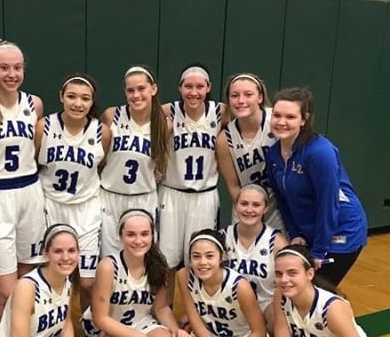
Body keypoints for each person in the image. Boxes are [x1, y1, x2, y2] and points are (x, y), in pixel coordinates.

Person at [0, 39, 46, 328]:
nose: (11, 74)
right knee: (6, 288)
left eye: (17, 67)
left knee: (28, 281)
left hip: (30, 191)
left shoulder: (34, 104)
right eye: (4, 68)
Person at [266, 87, 367, 285]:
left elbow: (328, 204)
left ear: (304, 120)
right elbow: (282, 200)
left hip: (342, 232)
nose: (281, 122)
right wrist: (295, 233)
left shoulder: (320, 152)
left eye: (290, 117)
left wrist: (319, 250)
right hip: (311, 232)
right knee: (301, 293)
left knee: (317, 294)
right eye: (277, 115)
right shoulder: (273, 154)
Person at [82, 209, 187, 337]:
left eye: (144, 234)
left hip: (139, 321)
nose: (138, 241)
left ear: (152, 235)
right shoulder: (108, 266)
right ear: (120, 236)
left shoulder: (159, 265)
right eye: (131, 234)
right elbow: (100, 318)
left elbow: (161, 308)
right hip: (107, 324)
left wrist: (175, 329)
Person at [36, 73, 110, 309]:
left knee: (87, 282)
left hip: (86, 209)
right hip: (52, 207)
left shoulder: (102, 132)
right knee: (55, 277)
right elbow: (32, 163)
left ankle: (90, 330)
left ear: (92, 101)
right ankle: (54, 330)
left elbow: (103, 165)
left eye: (85, 98)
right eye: (72, 97)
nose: (78, 103)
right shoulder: (44, 127)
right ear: (61, 97)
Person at [173, 229, 270, 337]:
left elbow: (259, 332)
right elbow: (194, 320)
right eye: (196, 256)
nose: (202, 262)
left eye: (210, 256)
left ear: (222, 256)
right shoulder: (184, 276)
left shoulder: (239, 286)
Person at [159, 62, 226, 301]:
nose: (194, 92)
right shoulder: (168, 111)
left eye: (200, 86)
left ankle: (197, 314)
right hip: (171, 194)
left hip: (204, 195)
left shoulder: (220, 112)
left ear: (209, 87)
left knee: (200, 260)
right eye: (188, 86)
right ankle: (164, 309)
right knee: (166, 261)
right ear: (180, 87)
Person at [100, 66, 170, 256]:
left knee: (143, 258)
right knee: (109, 258)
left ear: (153, 89)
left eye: (141, 89)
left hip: (143, 198)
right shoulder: (111, 115)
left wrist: (157, 173)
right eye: (130, 90)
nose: (136, 95)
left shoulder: (163, 123)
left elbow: (162, 160)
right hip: (111, 196)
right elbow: (100, 157)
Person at [217, 73, 283, 230]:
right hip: (248, 209)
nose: (241, 101)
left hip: (280, 208)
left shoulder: (276, 120)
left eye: (248, 95)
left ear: (260, 97)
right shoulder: (225, 139)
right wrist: (250, 212)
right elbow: (233, 186)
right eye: (234, 95)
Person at [222, 184, 287, 332]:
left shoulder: (277, 242)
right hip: (229, 304)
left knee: (278, 317)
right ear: (236, 205)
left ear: (265, 208)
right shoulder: (222, 237)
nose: (249, 210)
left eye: (256, 205)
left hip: (265, 304)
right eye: (244, 204)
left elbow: (287, 281)